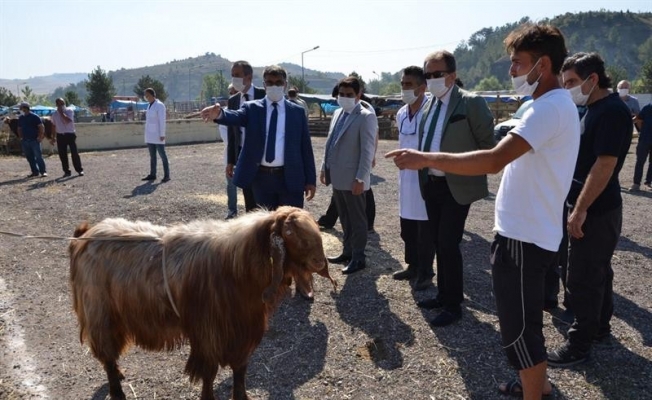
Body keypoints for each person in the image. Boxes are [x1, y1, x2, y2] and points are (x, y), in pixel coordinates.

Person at [387, 23, 578, 399]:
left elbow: (492, 160)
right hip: (524, 232)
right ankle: (536, 384)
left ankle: (534, 392)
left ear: (543, 64)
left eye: (517, 63)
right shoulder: (545, 106)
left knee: (520, 332)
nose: (512, 72)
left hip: (525, 238)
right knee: (522, 325)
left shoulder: (547, 109)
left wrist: (423, 158)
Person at [547, 52, 633, 368]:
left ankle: (578, 344)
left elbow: (605, 164)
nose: (568, 88)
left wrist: (580, 208)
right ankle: (599, 328)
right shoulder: (593, 108)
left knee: (581, 277)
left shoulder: (611, 112)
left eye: (571, 82)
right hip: (592, 205)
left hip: (596, 208)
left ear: (592, 79)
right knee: (598, 272)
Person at [411, 50, 495, 327]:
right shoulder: (429, 104)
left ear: (453, 75)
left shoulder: (471, 103)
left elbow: (487, 146)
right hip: (431, 183)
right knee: (437, 241)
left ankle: (453, 304)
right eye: (428, 75)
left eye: (438, 74)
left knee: (448, 243)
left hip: (457, 185)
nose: (433, 79)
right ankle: (443, 294)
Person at [201, 65, 316, 210]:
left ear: (285, 84)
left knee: (289, 226)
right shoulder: (252, 108)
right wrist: (219, 114)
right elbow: (235, 116)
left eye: (279, 83)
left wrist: (310, 180)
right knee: (263, 227)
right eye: (270, 82)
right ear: (264, 85)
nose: (274, 86)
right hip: (261, 179)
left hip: (289, 177)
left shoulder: (297, 112)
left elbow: (306, 147)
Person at [321, 76, 377, 275]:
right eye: (341, 95)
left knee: (357, 220)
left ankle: (359, 257)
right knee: (344, 217)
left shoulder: (365, 116)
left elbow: (367, 151)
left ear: (358, 95)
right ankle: (347, 251)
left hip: (354, 179)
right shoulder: (337, 113)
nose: (344, 98)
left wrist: (361, 178)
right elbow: (330, 143)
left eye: (349, 95)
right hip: (337, 177)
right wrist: (324, 168)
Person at [391, 66, 435, 291]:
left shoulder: (431, 111)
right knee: (407, 226)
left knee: (424, 230)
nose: (404, 89)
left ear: (422, 87)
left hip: (424, 177)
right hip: (405, 178)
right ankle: (412, 266)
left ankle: (426, 272)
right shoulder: (401, 113)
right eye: (402, 84)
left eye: (408, 84)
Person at [224, 60, 266, 212]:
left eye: (237, 75)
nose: (234, 79)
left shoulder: (264, 95)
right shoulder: (233, 101)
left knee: (265, 199)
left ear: (248, 76)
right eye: (232, 75)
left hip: (264, 155)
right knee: (249, 199)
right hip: (243, 154)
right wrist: (230, 161)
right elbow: (232, 134)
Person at [218, 84, 239, 219]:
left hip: (248, 156)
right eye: (231, 92)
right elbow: (228, 139)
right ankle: (232, 210)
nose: (233, 95)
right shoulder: (225, 115)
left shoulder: (250, 109)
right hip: (232, 155)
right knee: (231, 185)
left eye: (235, 92)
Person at [141, 88, 170, 182]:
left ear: (153, 95)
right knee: (152, 156)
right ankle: (152, 174)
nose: (146, 97)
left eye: (148, 95)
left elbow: (162, 121)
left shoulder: (160, 105)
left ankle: (167, 175)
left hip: (158, 135)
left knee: (162, 155)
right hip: (150, 135)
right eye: (145, 96)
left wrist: (162, 134)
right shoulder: (149, 105)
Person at [50, 98, 84, 177]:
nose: (61, 106)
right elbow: (53, 126)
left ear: (65, 103)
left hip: (70, 134)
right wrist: (53, 137)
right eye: (59, 104)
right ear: (56, 105)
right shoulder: (54, 114)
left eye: (62, 103)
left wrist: (61, 113)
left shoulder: (69, 111)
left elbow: (68, 121)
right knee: (62, 154)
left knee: (74, 153)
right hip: (60, 135)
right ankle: (66, 171)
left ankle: (79, 170)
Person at [17, 102, 47, 177]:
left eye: (21, 108)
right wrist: (21, 137)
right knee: (29, 157)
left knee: (38, 157)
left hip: (34, 140)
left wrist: (40, 137)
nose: (20, 109)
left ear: (25, 108)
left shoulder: (35, 117)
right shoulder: (21, 118)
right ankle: (35, 172)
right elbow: (19, 128)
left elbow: (41, 127)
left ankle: (43, 171)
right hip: (25, 141)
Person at [631, 102, 652, 190]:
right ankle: (636, 183)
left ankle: (648, 182)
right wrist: (642, 131)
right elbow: (639, 120)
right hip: (645, 139)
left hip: (645, 138)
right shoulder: (648, 107)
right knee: (640, 161)